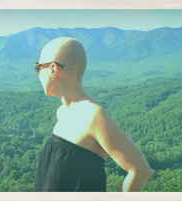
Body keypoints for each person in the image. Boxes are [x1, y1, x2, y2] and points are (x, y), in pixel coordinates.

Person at [33, 37, 153, 192]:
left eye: (38, 66)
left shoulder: (93, 116)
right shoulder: (62, 112)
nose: (37, 73)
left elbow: (141, 170)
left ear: (53, 70)